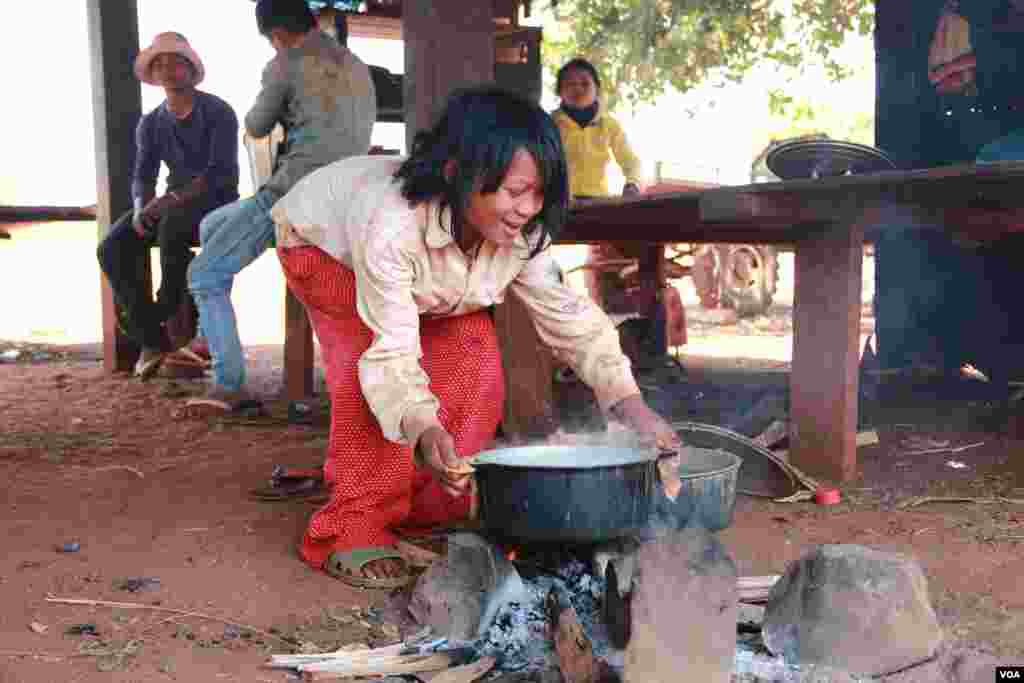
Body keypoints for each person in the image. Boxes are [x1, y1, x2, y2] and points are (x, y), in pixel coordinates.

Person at [272, 85, 682, 589]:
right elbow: (392, 352)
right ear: (456, 175)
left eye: (540, 193)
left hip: (432, 281)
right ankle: (351, 529)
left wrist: (629, 404)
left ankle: (429, 505)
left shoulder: (519, 236)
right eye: (514, 191)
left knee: (478, 363)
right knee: (368, 378)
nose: (528, 208)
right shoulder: (392, 228)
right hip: (323, 248)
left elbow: (571, 319)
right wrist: (424, 426)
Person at [184, 0, 376, 413]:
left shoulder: (284, 64)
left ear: (275, 35)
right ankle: (206, 334)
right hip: (348, 195)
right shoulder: (355, 63)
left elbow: (255, 125)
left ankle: (228, 384)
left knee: (203, 274)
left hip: (295, 195)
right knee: (212, 225)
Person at [96, 32, 239, 379]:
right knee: (112, 246)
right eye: (160, 63)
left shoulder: (218, 111)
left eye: (176, 61)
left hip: (216, 200)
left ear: (191, 69)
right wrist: (141, 206)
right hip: (170, 204)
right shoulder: (152, 121)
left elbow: (219, 173)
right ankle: (153, 339)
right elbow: (142, 176)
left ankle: (168, 312)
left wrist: (169, 201)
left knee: (172, 226)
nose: (168, 69)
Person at [552, 57, 686, 363]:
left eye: (584, 83)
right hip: (561, 203)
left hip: (599, 204)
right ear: (560, 91)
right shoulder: (551, 123)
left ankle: (650, 349)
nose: (577, 89)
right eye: (570, 84)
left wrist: (633, 185)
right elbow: (541, 161)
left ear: (597, 89)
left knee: (645, 253)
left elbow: (632, 163)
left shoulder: (609, 124)